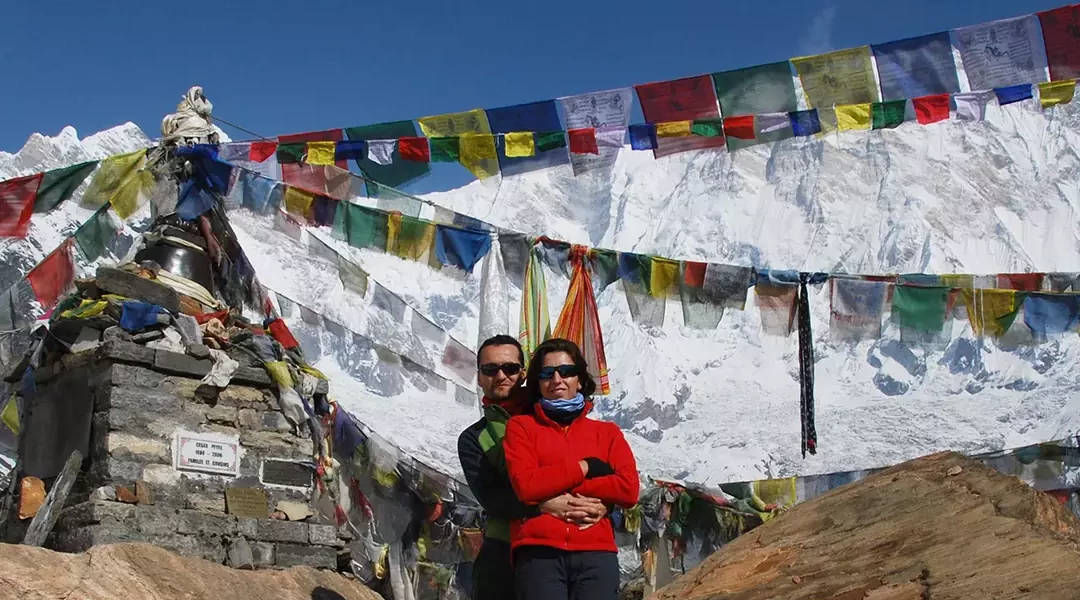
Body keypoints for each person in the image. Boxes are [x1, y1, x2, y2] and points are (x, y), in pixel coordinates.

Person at [458, 335, 608, 600]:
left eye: (511, 368)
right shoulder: (473, 438)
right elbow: (493, 498)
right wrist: (542, 505)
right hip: (504, 550)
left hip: (576, 545)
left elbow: (599, 469)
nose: (501, 375)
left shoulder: (559, 418)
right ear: (479, 376)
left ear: (524, 373)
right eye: (490, 369)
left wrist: (606, 505)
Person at [504, 338, 640, 600]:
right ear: (538, 382)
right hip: (539, 553)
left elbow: (628, 489)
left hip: (596, 553)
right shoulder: (521, 428)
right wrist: (585, 467)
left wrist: (553, 490)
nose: (557, 379)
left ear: (580, 380)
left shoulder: (607, 433)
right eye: (547, 373)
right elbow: (525, 486)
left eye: (566, 372)